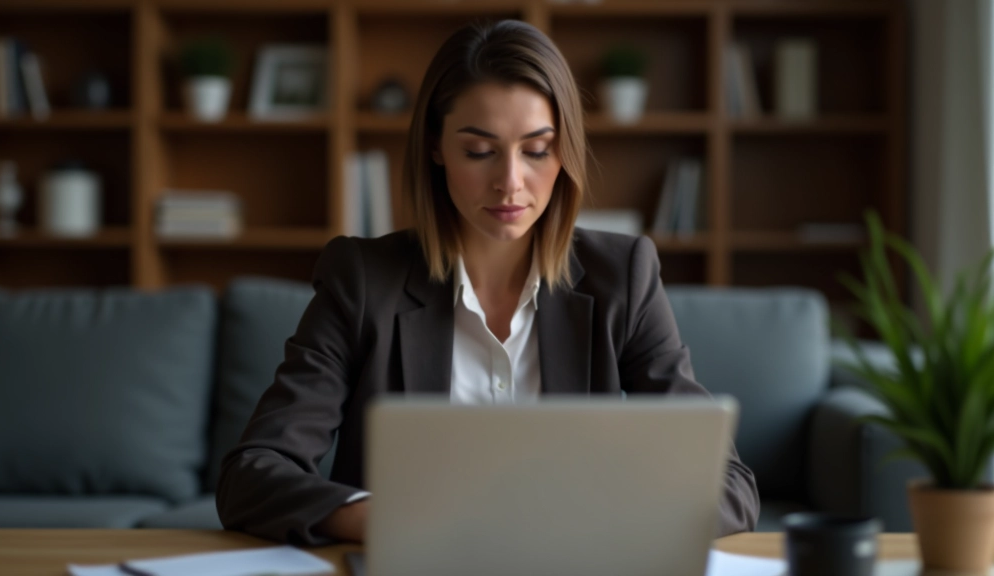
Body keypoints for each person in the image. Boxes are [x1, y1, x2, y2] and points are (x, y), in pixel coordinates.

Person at [216, 19, 759, 546]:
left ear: (564, 149)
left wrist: (613, 525)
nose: (510, 182)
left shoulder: (624, 276)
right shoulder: (362, 280)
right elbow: (254, 472)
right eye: (479, 151)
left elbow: (731, 485)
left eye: (537, 150)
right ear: (436, 147)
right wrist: (384, 521)